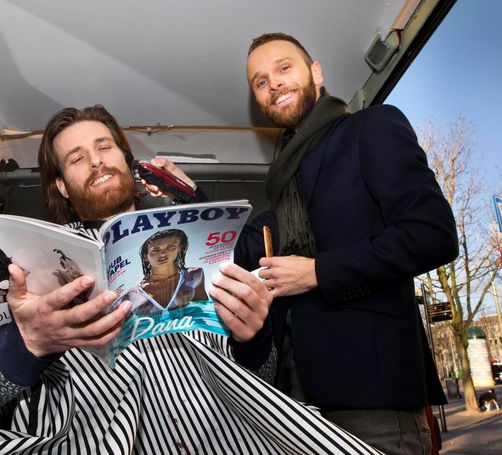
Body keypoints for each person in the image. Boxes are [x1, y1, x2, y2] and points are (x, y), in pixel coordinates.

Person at [0, 105, 379, 454]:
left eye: (104, 147)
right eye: (75, 158)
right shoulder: (26, 269)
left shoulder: (202, 247)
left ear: (127, 161)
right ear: (61, 187)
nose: (95, 161)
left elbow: (259, 381)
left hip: (224, 436)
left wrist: (254, 340)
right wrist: (27, 343)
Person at [149, 33, 458, 455]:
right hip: (296, 404)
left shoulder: (372, 127)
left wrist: (317, 272)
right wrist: (190, 197)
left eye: (283, 68)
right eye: (259, 81)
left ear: (316, 72)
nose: (272, 83)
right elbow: (244, 247)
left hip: (375, 402)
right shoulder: (283, 180)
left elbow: (432, 235)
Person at [121, 229, 208, 315]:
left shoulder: (194, 274)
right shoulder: (133, 294)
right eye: (155, 250)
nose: (163, 254)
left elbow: (204, 307)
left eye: (170, 247)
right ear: (145, 256)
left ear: (179, 248)